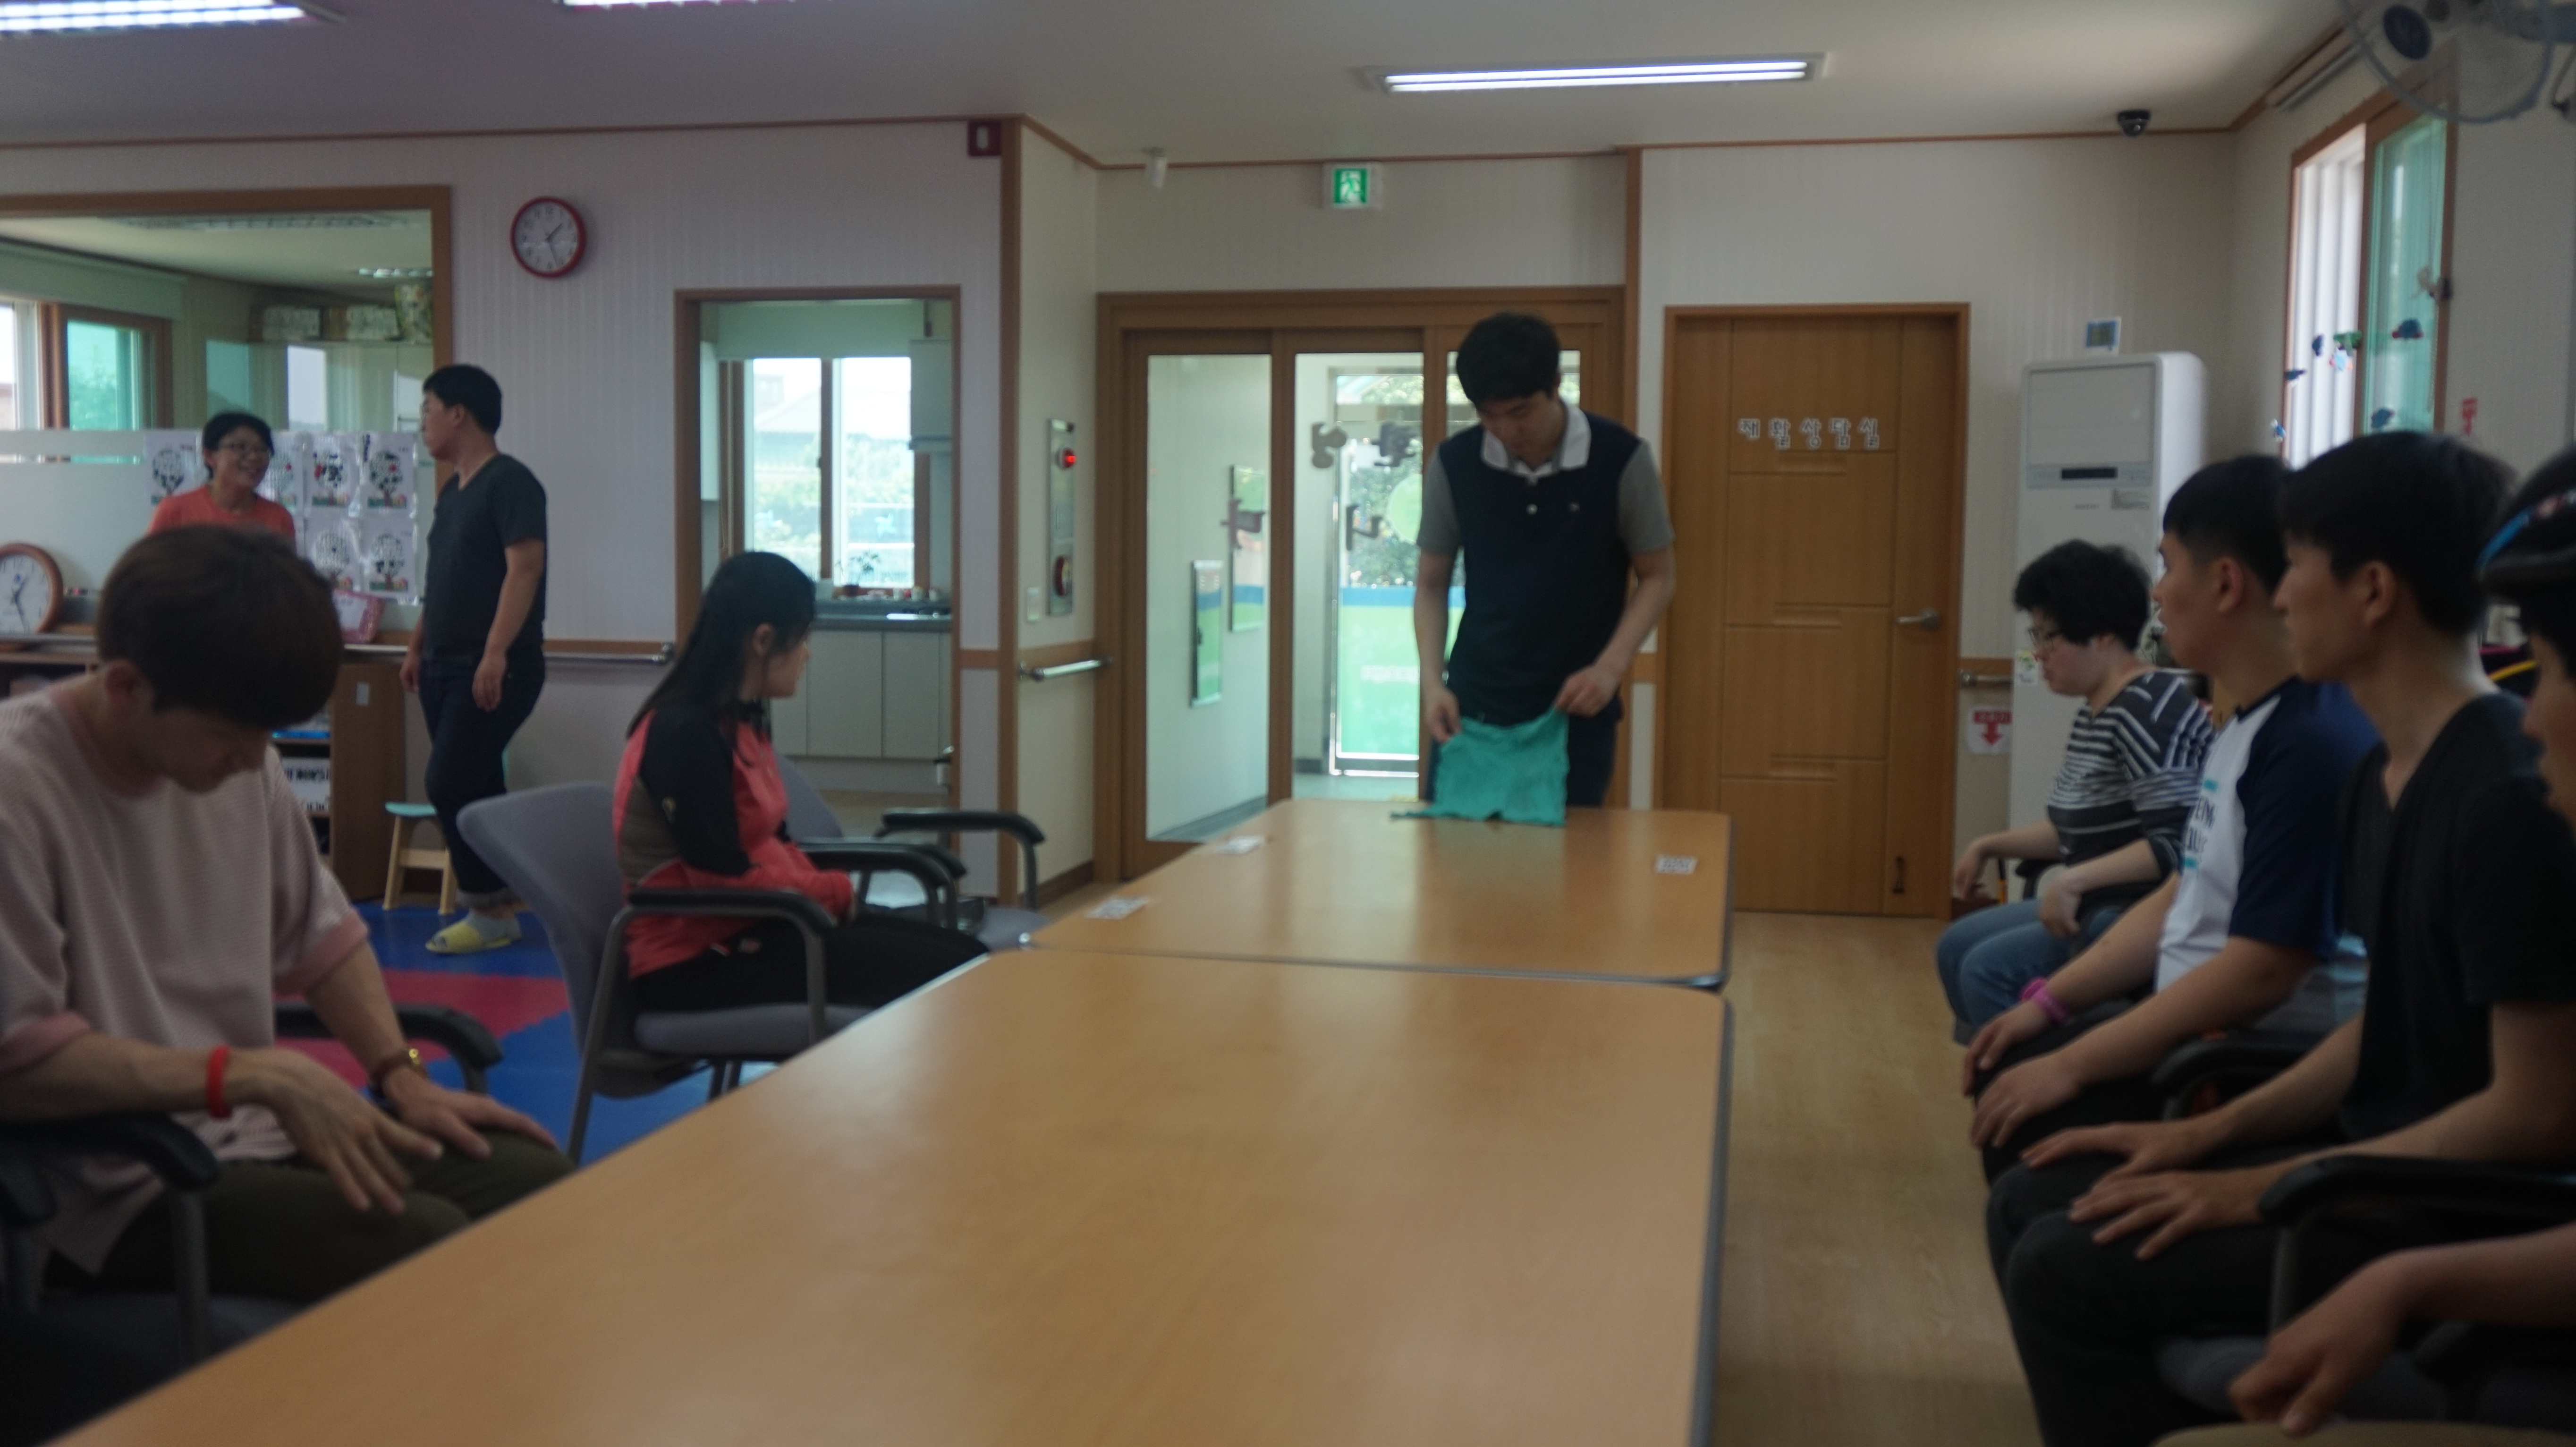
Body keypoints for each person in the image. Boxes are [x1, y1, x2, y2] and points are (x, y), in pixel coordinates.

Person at [1988, 433, 2576, 1447]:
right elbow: (2384, 1026)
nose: (2281, 592)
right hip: (2375, 1166)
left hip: (2442, 1201)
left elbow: (2535, 1112)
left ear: (2372, 590)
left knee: (2063, 1261)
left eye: (2296, 565)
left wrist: (2259, 1182)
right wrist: (2198, 1139)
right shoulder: (2380, 774)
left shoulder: (2501, 799)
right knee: (2047, 1197)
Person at [0, 527, 568, 1304]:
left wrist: (399, 1075)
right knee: (424, 1244)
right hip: (110, 1186)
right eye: (229, 736)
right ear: (126, 686)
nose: (252, 758)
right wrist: (249, 1074)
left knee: (536, 1185)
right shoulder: (19, 791)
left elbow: (324, 940)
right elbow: (19, 1066)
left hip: (253, 1132)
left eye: (265, 734)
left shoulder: (246, 765)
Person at [1963, 459, 2378, 1184]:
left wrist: (2075, 1058)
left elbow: (2262, 971)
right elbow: (2184, 887)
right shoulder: (2247, 722)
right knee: (2012, 1072)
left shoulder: (2311, 741)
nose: (2156, 593)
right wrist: (2051, 1006)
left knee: (2030, 1148)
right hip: (2197, 1035)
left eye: (2167, 564)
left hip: (2246, 1061)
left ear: (2225, 583)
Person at [614, 552, 982, 1015]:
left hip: (768, 925)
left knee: (969, 959)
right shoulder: (683, 733)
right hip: (695, 963)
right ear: (763, 640)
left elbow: (771, 844)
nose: (807, 653)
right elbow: (721, 879)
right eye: (803, 638)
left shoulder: (739, 720)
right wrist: (832, 893)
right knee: (957, 978)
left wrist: (830, 896)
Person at [1939, 539, 2214, 1034]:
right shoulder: (2098, 709)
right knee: (1955, 946)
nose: (2039, 654)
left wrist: (2074, 880)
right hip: (2096, 900)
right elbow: (2073, 828)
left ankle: (2045, 1076)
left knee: (1985, 969)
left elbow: (2176, 845)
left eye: (2051, 638)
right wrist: (1988, 844)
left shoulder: (2147, 712)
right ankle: (1998, 1072)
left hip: (2134, 913)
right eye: (2037, 636)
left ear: (2103, 635)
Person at [1414, 312, 1676, 808]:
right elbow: (1430, 583)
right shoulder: (1455, 463)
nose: (1504, 430)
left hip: (1575, 706)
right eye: (1488, 416)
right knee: (1453, 851)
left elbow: (1658, 576)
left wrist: (1610, 668)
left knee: (1567, 853)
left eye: (1519, 412)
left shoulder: (1620, 458)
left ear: (1555, 385)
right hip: (1472, 706)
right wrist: (1431, 684)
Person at [400, 364, 547, 955]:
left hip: (494, 665)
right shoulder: (451, 491)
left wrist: (494, 653)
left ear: (458, 413)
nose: (423, 423)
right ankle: (508, 901)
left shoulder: (510, 482)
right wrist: (416, 645)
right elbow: (442, 581)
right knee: (480, 785)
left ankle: (487, 909)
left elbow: (524, 570)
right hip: (442, 662)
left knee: (448, 780)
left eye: (427, 410)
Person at [146, 411, 296, 542]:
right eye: (240, 447)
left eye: (262, 449)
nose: (254, 457)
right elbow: (150, 564)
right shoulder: (174, 511)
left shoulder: (279, 518)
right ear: (210, 456)